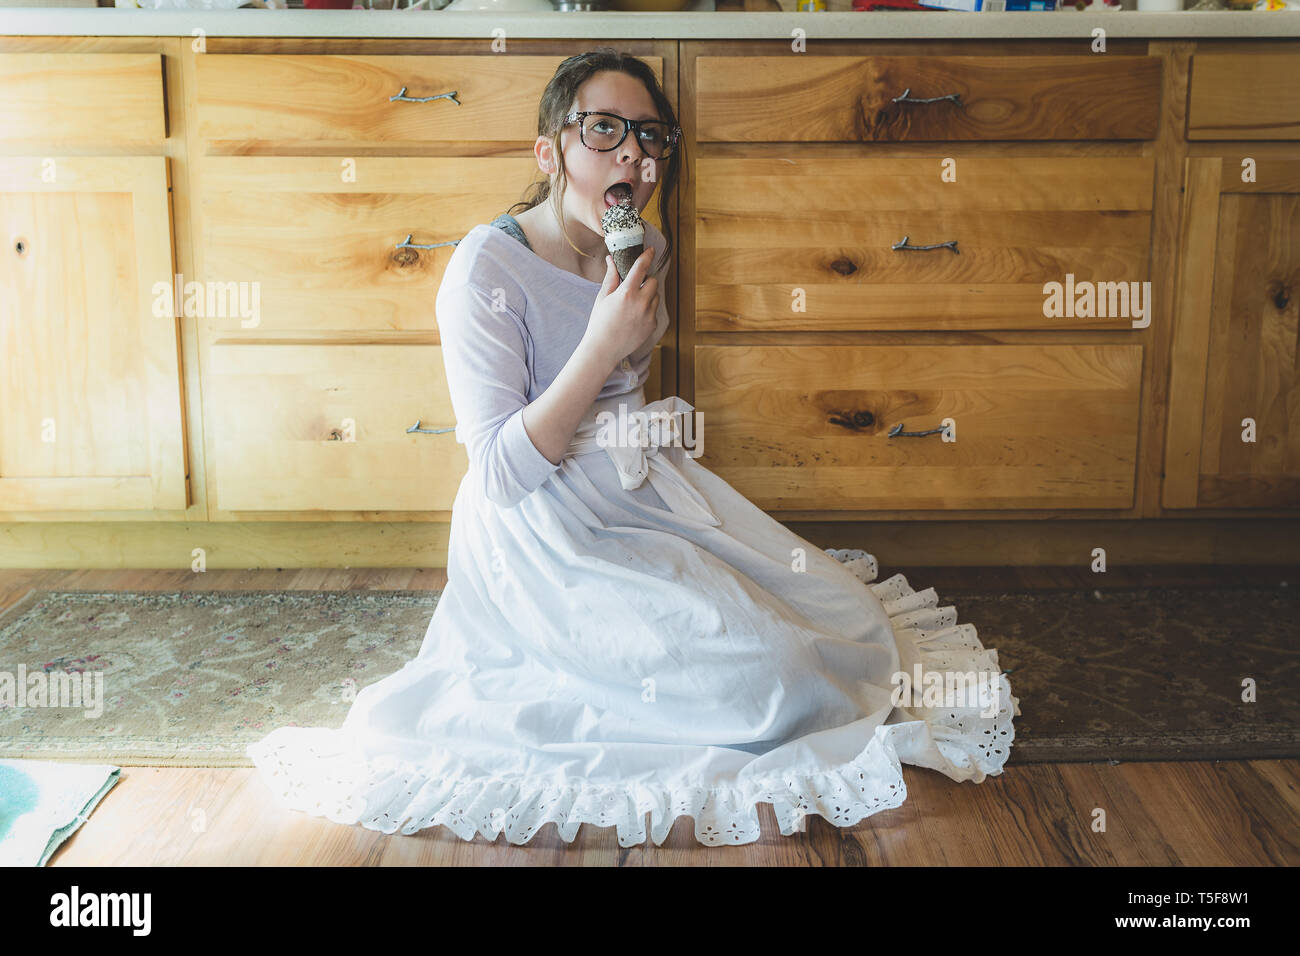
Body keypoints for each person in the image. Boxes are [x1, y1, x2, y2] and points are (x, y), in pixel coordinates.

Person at [246, 48, 1020, 848]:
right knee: (774, 683)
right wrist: (599, 343)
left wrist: (628, 331)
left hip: (642, 489)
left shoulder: (641, 245)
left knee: (847, 624)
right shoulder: (485, 269)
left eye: (649, 138)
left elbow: (626, 396)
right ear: (550, 152)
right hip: (544, 531)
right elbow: (503, 474)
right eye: (605, 130)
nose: (634, 155)